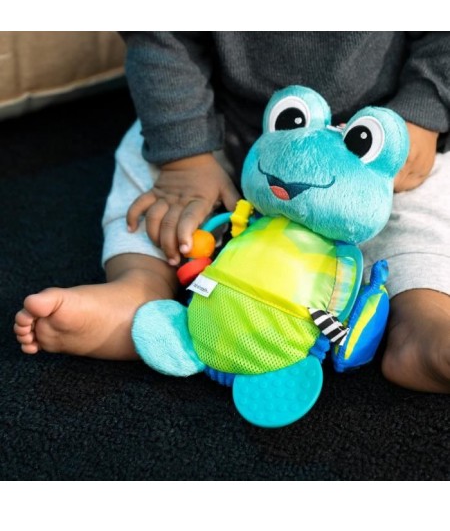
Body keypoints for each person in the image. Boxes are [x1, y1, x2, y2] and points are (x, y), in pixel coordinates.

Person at [14, 32, 450, 393]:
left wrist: (426, 108)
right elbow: (161, 35)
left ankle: (423, 318)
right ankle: (140, 290)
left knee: (425, 199)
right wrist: (184, 159)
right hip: (226, 135)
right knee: (148, 166)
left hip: (384, 148)